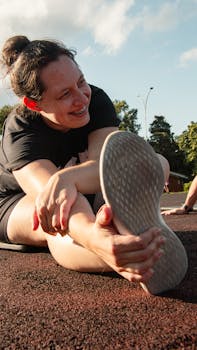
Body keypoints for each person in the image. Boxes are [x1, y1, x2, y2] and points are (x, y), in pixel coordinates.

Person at [0, 35, 187, 295]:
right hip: (15, 200)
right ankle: (128, 257)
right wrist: (99, 241)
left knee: (156, 162)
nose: (81, 98)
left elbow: (106, 167)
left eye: (81, 82)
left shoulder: (95, 99)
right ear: (34, 103)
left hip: (77, 185)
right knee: (57, 228)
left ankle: (126, 238)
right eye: (65, 94)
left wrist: (66, 178)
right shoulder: (19, 133)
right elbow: (54, 203)